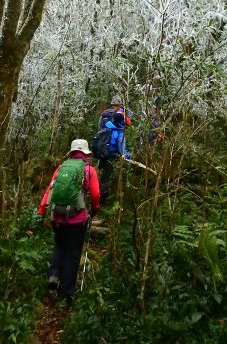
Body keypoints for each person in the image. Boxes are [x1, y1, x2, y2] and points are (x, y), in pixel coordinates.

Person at [37, 139, 100, 300]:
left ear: (71, 153)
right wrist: (95, 209)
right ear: (85, 153)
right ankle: (66, 292)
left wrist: (42, 209)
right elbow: (95, 194)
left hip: (56, 216)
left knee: (59, 246)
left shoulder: (61, 168)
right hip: (77, 219)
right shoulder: (89, 170)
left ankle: (53, 275)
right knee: (72, 254)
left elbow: (50, 189)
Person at [97, 95, 132, 204]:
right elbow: (121, 148)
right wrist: (127, 155)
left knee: (102, 174)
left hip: (102, 148)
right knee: (108, 176)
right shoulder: (119, 126)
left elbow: (99, 130)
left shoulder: (105, 115)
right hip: (112, 153)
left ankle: (97, 194)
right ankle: (102, 201)